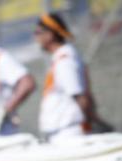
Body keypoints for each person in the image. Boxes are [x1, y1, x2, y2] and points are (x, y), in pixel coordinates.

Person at [34, 12, 112, 143]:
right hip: (62, 132)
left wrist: (94, 121)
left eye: (38, 32)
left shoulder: (64, 60)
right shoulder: (61, 57)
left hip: (68, 133)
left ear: (50, 34)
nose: (35, 37)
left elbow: (80, 96)